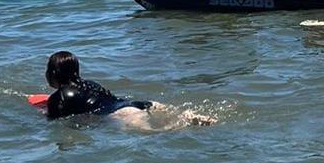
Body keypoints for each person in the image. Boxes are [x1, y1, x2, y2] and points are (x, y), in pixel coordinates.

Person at [42, 51, 213, 130]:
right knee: (175, 115)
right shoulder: (90, 84)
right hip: (136, 103)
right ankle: (188, 116)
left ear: (53, 73)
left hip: (123, 115)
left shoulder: (59, 97)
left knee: (155, 134)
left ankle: (182, 126)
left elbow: (57, 121)